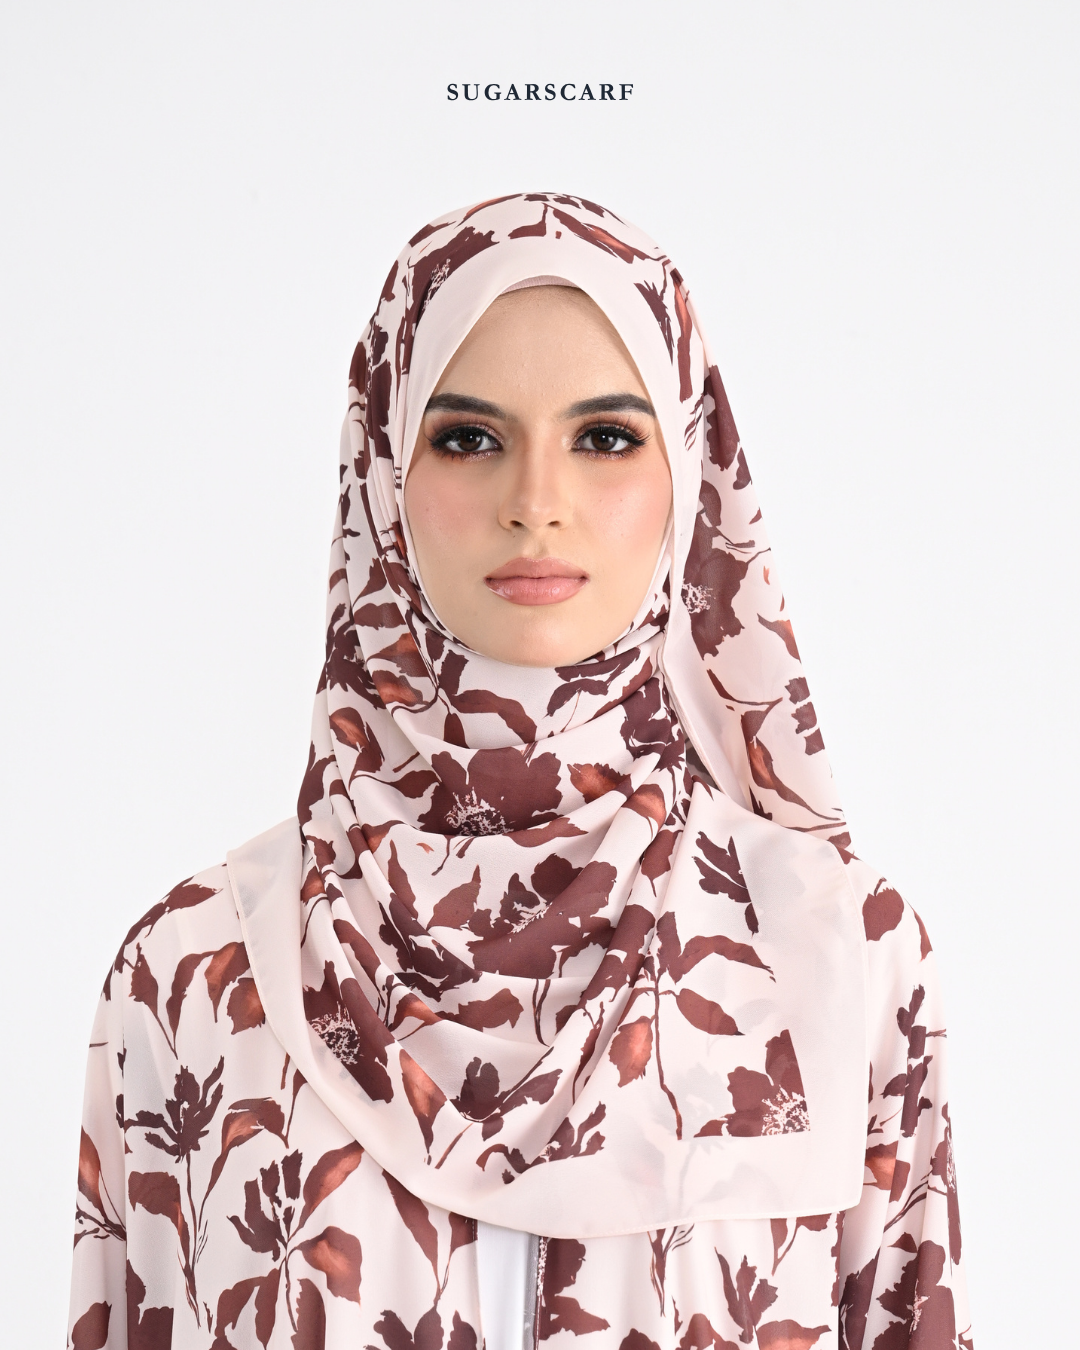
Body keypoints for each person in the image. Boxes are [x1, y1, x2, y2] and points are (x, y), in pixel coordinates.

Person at [68, 193, 972, 1350]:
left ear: (690, 471)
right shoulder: (194, 972)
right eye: (468, 439)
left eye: (606, 439)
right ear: (383, 475)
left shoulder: (843, 958)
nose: (536, 504)